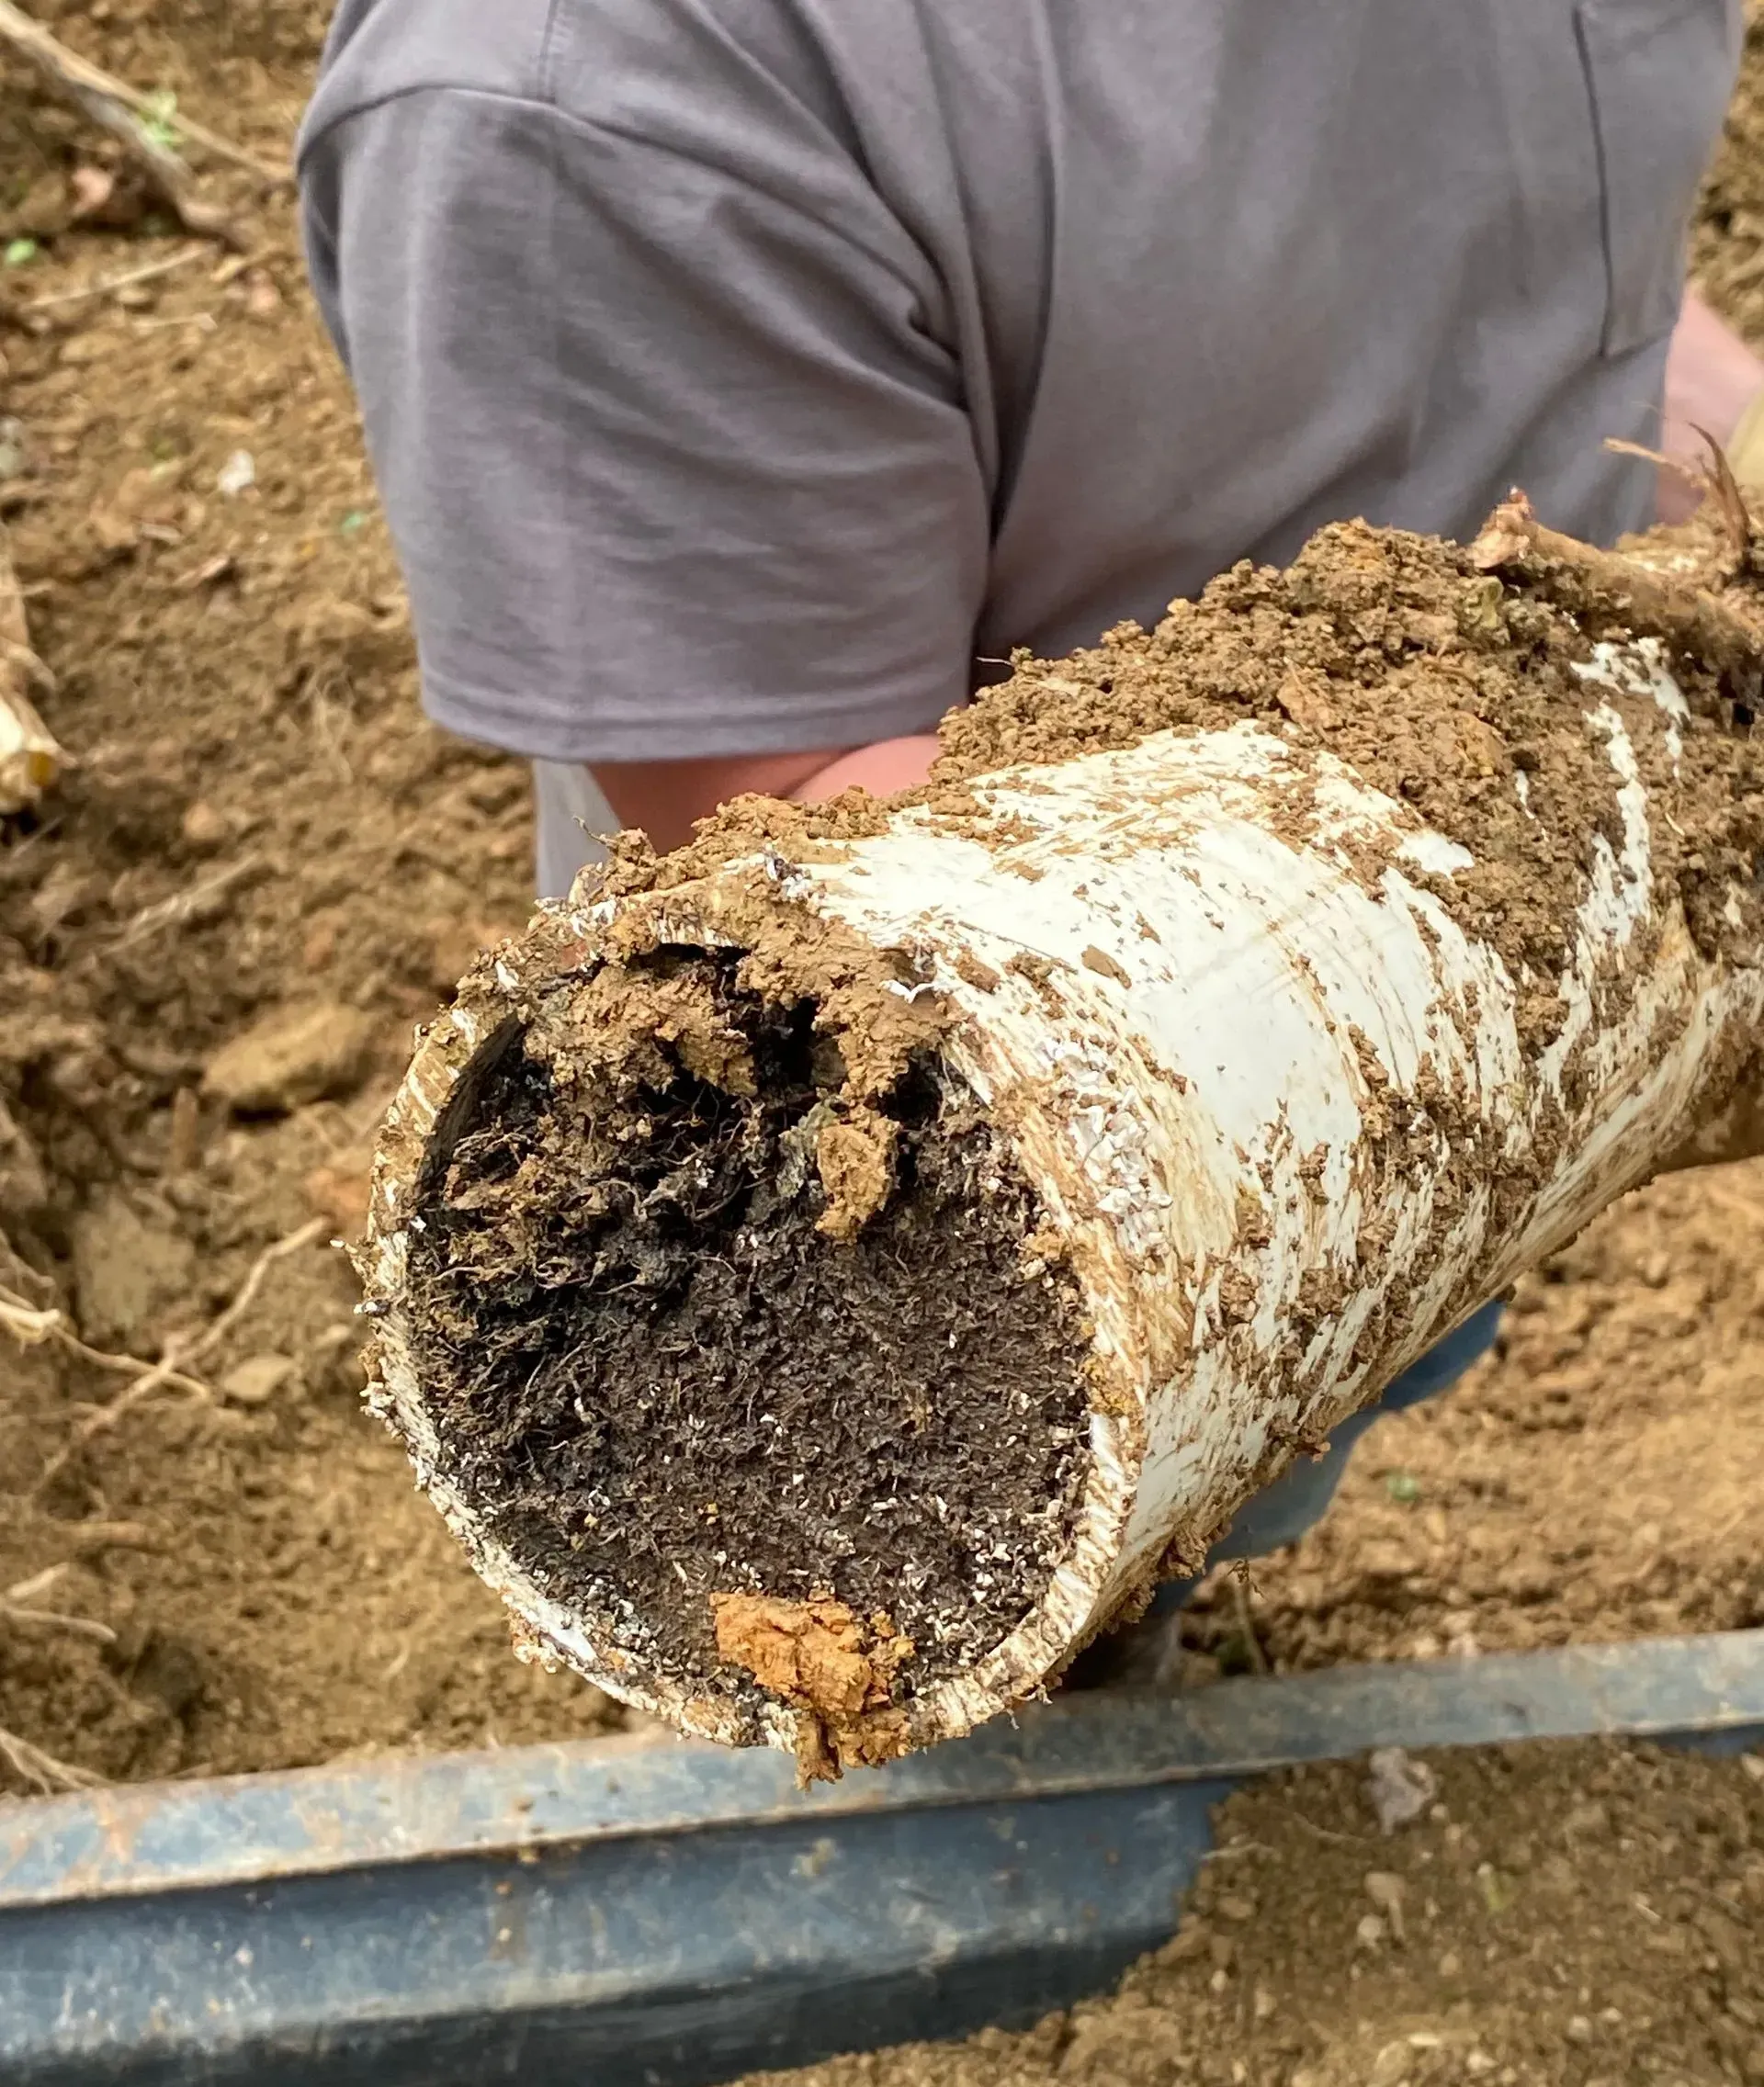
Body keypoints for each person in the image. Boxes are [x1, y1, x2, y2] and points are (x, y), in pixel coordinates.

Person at [296, 0, 1760, 1602]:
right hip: (1071, 1125)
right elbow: (824, 866)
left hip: (1515, 965)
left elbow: (1585, 289)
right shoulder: (602, 91)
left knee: (1335, 1389)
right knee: (932, 1525)